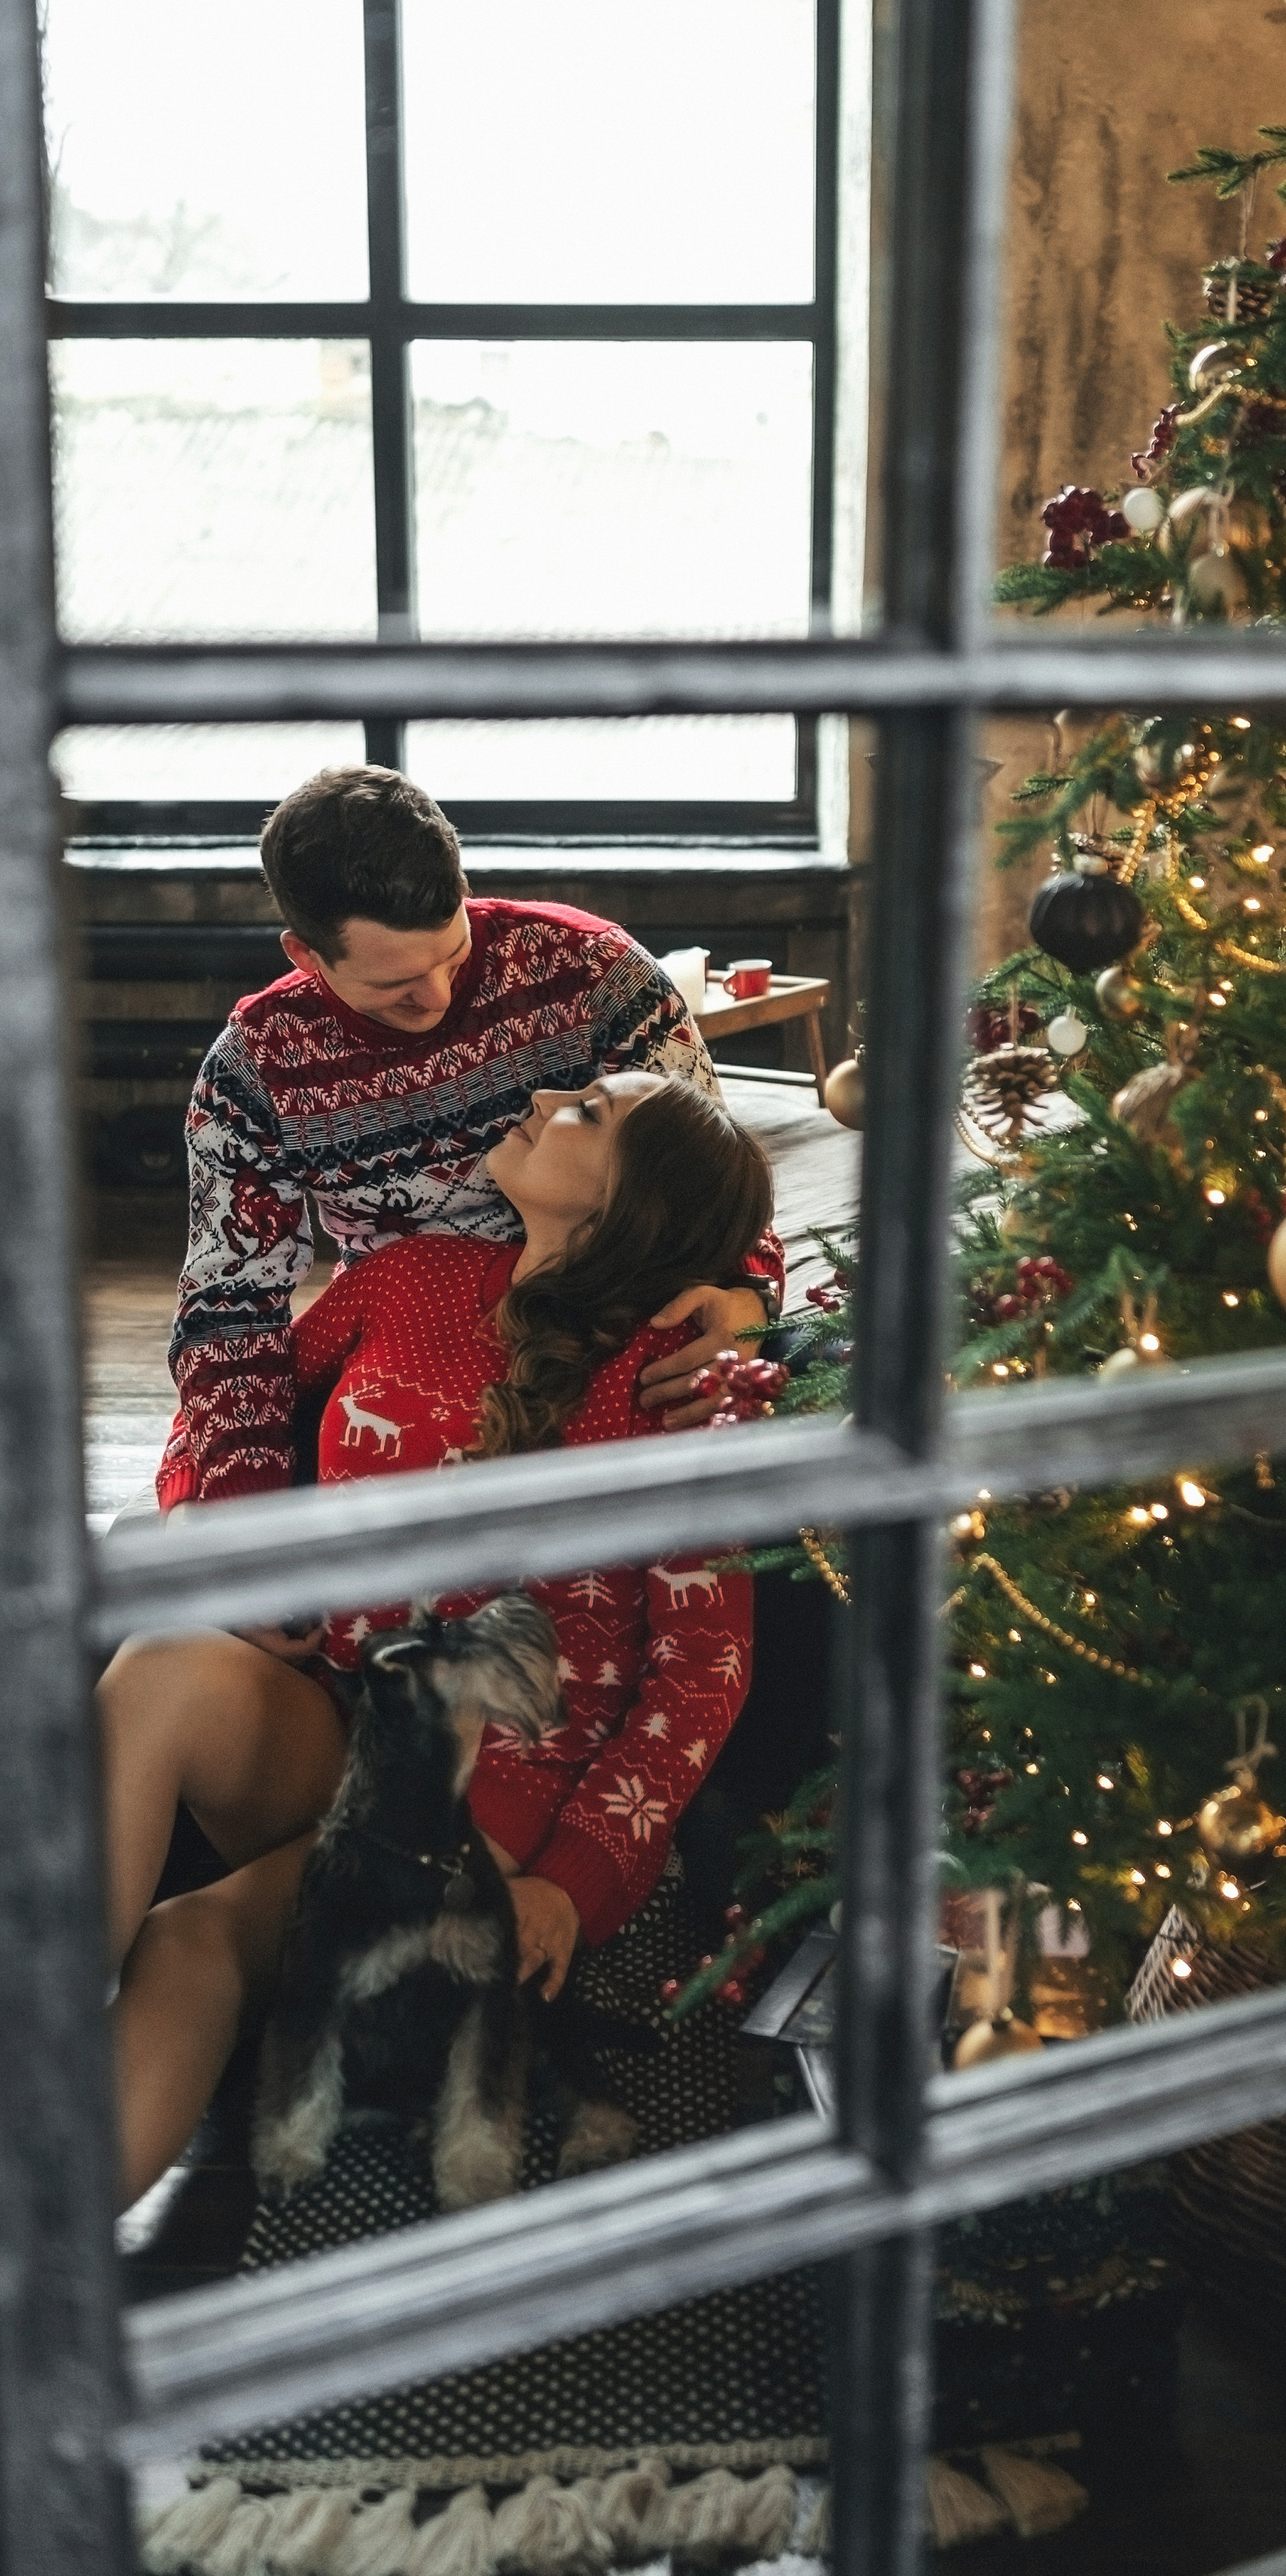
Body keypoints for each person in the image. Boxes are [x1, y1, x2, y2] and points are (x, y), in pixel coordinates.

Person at [103, 1069, 773, 2210]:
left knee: (194, 1940)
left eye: (592, 1112)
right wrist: (223, 1539)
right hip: (342, 1719)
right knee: (161, 1667)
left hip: (489, 1810)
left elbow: (701, 1677)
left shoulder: (676, 1395)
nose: (553, 1089)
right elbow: (234, 1416)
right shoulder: (407, 1277)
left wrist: (573, 1876)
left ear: (622, 1206)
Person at [162, 764, 783, 1508]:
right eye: (396, 987)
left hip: (611, 1331)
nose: (439, 996)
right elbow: (230, 1306)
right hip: (408, 1340)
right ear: (305, 955)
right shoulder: (254, 1070)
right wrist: (239, 1506)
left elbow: (708, 1174)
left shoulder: (598, 973)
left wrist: (749, 1298)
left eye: (452, 957)